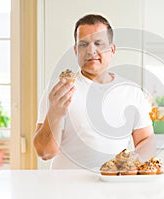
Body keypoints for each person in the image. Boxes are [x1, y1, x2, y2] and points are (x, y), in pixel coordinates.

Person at [33, 14, 155, 169]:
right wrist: (55, 114)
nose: (91, 50)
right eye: (83, 44)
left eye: (98, 43)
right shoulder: (58, 92)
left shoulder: (132, 91)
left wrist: (133, 160)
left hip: (114, 187)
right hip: (66, 189)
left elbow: (146, 140)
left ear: (112, 49)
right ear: (76, 50)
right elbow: (44, 153)